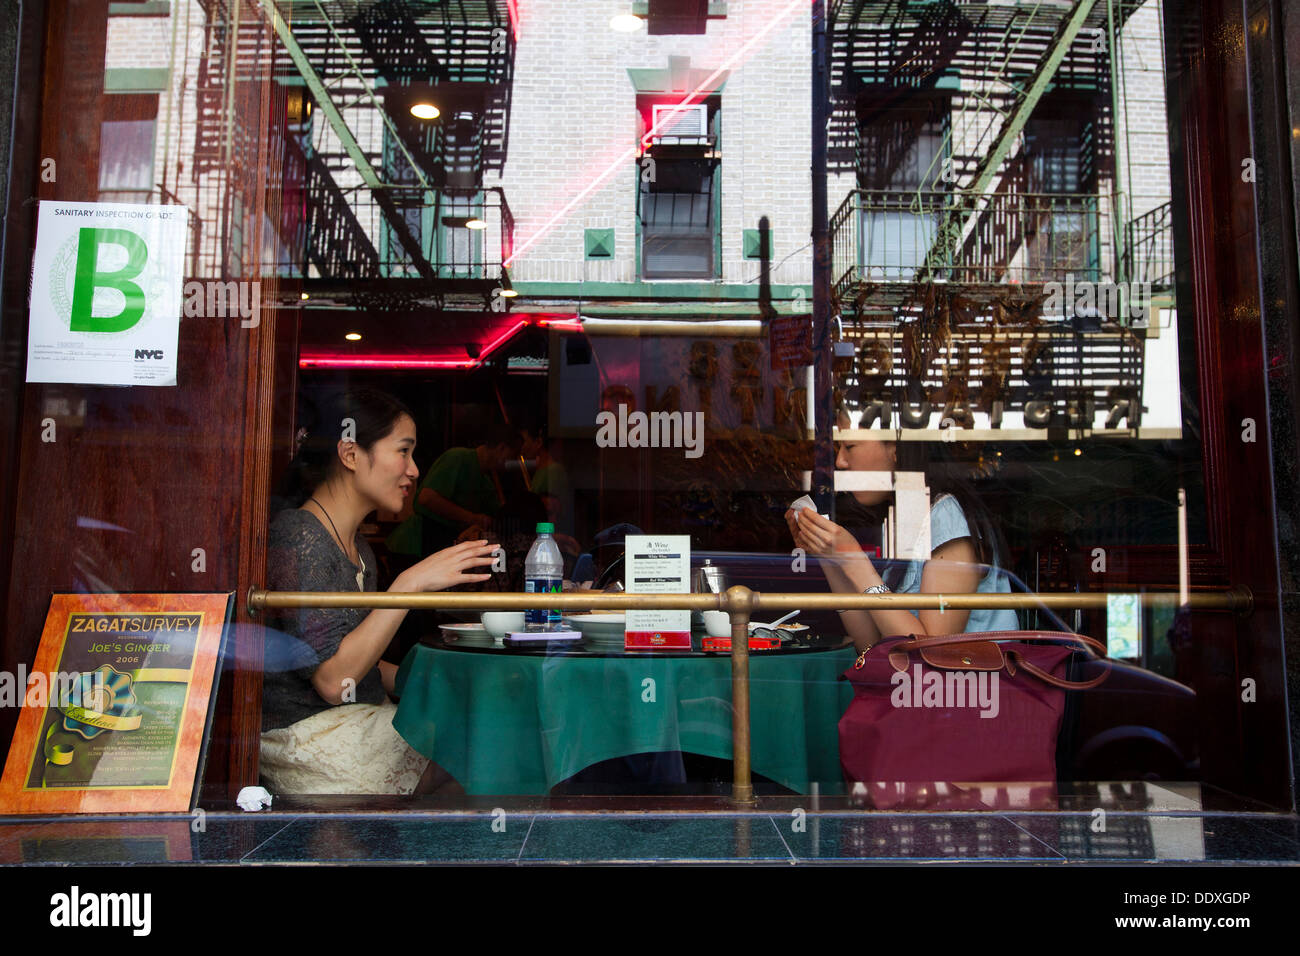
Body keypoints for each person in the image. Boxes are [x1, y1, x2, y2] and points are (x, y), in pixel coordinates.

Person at [261, 388, 498, 795]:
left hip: (357, 718)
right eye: (403, 451)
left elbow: (362, 667)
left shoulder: (360, 550)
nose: (415, 470)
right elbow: (336, 681)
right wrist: (409, 585)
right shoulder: (299, 535)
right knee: (480, 748)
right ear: (350, 454)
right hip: (306, 734)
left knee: (482, 726)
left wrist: (451, 676)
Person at [785, 415, 1015, 652]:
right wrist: (831, 559)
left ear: (895, 448)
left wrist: (854, 560)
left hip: (970, 687)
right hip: (914, 686)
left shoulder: (945, 514)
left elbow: (930, 651)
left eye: (850, 446)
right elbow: (870, 646)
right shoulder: (904, 517)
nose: (840, 461)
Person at [386, 425, 516, 559]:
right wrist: (472, 517)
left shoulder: (487, 481)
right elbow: (426, 498)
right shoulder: (458, 457)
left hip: (442, 543)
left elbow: (497, 514)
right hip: (416, 544)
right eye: (509, 458)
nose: (507, 465)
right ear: (502, 448)